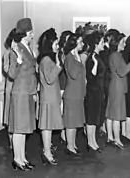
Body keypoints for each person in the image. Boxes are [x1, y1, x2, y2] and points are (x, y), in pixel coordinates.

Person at [8, 18, 37, 171]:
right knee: (18, 128)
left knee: (24, 127)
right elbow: (12, 74)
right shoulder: (16, 48)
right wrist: (18, 59)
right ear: (25, 33)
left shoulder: (27, 47)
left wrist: (34, 92)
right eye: (31, 32)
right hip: (19, 93)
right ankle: (16, 159)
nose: (33, 35)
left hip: (28, 92)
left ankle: (23, 158)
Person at [37, 28, 63, 165]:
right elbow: (49, 78)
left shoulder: (47, 59)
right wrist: (58, 65)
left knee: (49, 126)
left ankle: (47, 150)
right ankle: (46, 152)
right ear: (50, 44)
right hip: (48, 97)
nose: (57, 46)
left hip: (51, 96)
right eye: (56, 43)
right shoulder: (46, 60)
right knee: (47, 126)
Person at [106, 32, 130, 149]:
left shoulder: (115, 54)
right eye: (122, 42)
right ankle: (117, 139)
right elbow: (122, 72)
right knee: (117, 114)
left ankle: (110, 137)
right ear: (117, 43)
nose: (124, 44)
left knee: (111, 113)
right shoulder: (116, 55)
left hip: (115, 86)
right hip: (117, 87)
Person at [63, 33, 85, 157]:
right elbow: (73, 74)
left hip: (77, 93)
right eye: (80, 42)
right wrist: (78, 60)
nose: (82, 44)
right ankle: (69, 146)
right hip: (71, 94)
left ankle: (73, 145)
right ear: (75, 43)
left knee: (75, 121)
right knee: (70, 123)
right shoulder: (69, 57)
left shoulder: (75, 57)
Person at [85, 31, 105, 152]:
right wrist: (96, 64)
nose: (104, 44)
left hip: (98, 90)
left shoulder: (97, 56)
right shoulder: (92, 58)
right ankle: (90, 142)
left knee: (95, 117)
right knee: (91, 117)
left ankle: (93, 141)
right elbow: (91, 77)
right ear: (96, 44)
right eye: (102, 42)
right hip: (92, 91)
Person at [100, 29, 120, 135]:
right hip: (105, 80)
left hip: (110, 80)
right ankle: (104, 127)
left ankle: (106, 127)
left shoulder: (112, 51)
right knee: (106, 104)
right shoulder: (103, 52)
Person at [2, 28, 17, 150]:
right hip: (12, 87)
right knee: (10, 115)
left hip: (21, 87)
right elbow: (7, 70)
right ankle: (12, 143)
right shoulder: (8, 53)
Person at [58, 30, 72, 143]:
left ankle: (67, 133)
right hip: (61, 84)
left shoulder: (71, 53)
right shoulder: (60, 53)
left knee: (68, 111)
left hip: (69, 84)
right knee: (62, 111)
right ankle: (62, 134)